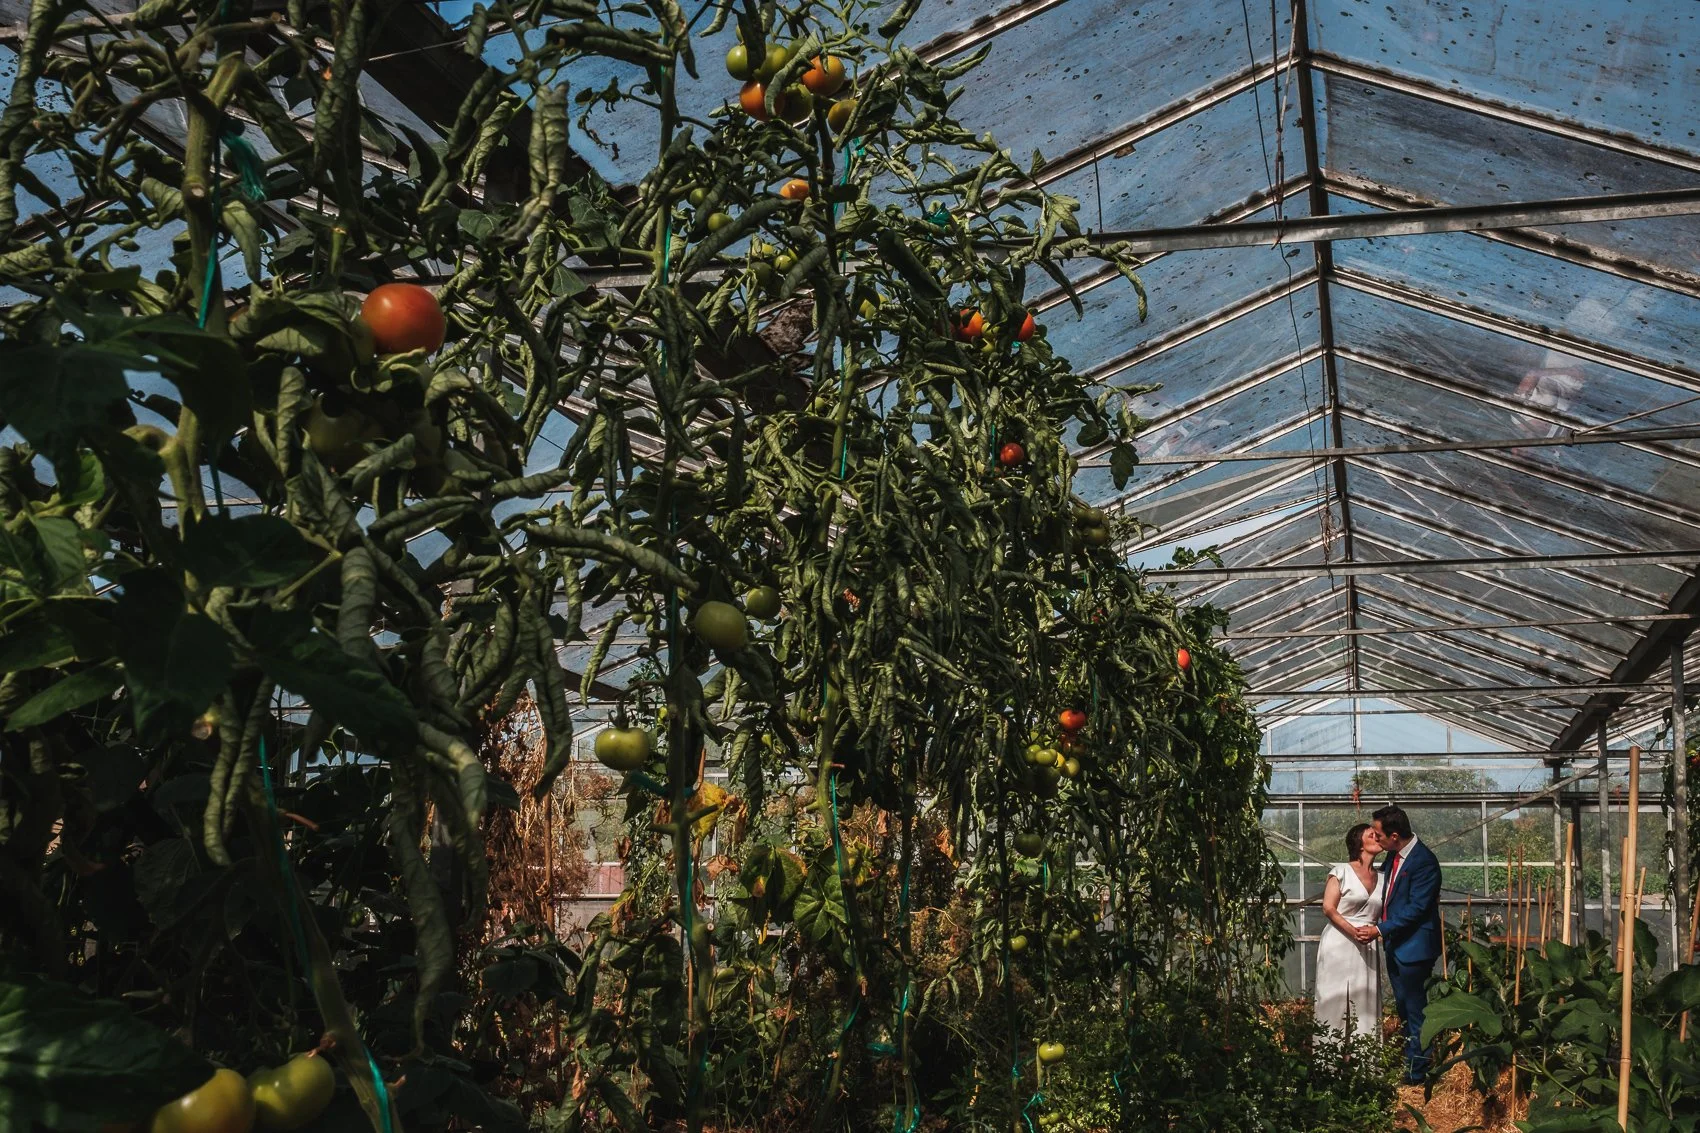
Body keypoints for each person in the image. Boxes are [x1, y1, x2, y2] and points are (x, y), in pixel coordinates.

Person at [1363, 804, 1443, 1084]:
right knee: (1404, 1006)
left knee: (1416, 1008)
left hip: (1415, 947)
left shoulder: (1424, 862)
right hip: (1397, 944)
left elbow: (1417, 908)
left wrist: (1379, 929)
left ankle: (1418, 1072)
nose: (1375, 838)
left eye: (1378, 834)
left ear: (1394, 835)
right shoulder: (1395, 856)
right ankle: (1413, 1060)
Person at [1315, 823, 1385, 1038]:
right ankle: (1329, 1064)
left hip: (1367, 944)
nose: (1378, 837)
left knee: (1365, 1001)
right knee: (1333, 999)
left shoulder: (1383, 877)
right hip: (1339, 940)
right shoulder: (1341, 871)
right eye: (1372, 835)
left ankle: (1363, 1065)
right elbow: (1328, 907)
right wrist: (1353, 931)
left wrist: (1377, 931)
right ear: (1359, 843)